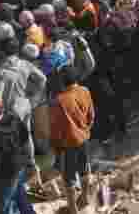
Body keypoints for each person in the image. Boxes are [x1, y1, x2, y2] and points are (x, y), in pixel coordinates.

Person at [49, 65, 95, 214]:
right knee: (85, 169)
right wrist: (85, 130)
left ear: (62, 81)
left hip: (68, 144)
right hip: (84, 139)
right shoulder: (85, 91)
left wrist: (56, 148)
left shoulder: (59, 101)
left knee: (68, 179)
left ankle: (73, 209)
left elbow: (55, 129)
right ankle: (85, 197)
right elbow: (91, 115)